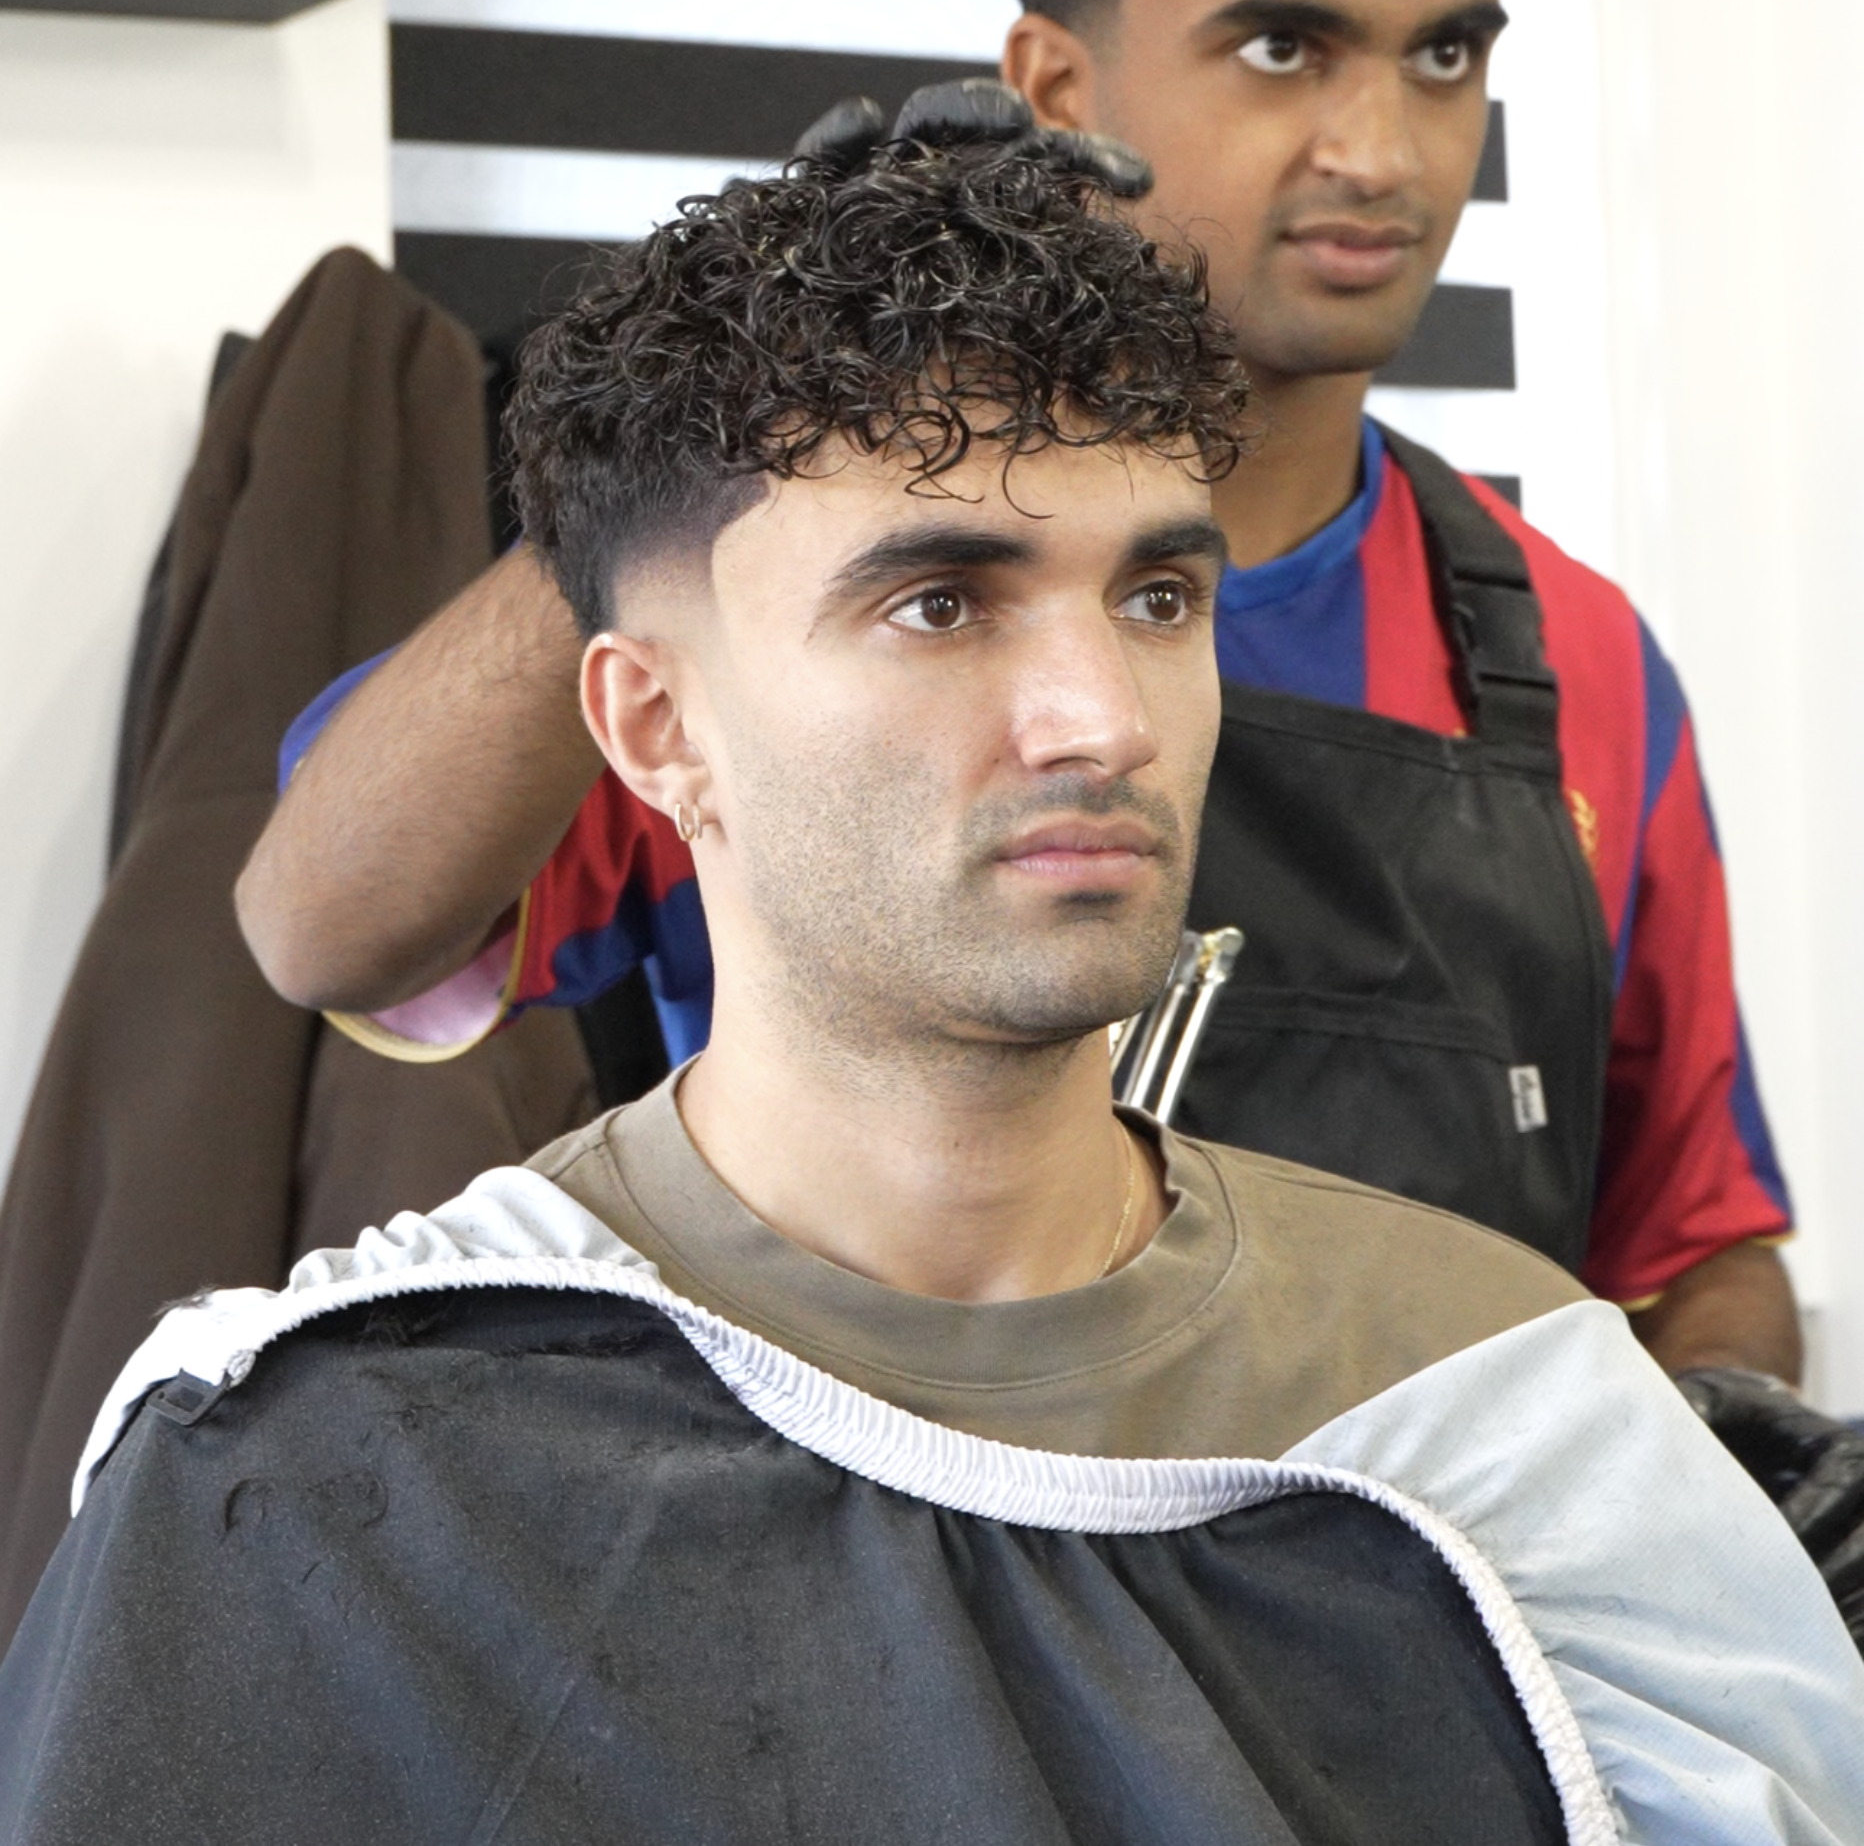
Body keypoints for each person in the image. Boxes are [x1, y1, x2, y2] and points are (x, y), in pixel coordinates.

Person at [8, 134, 1861, 1843]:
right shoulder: (332, 1465)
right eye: (940, 603)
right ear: (657, 728)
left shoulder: (1503, 1418)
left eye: (1156, 599)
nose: (1105, 720)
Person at [237, 0, 1797, 1389]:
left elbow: (1696, 1249)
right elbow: (326, 926)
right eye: (1285, 49)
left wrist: (1698, 1509)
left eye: (1444, 58)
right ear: (1058, 86)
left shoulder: (1562, 650)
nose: (1384, 149)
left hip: (1425, 1619)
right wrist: (691, 437)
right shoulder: (797, 603)